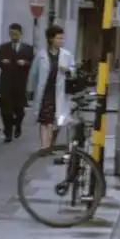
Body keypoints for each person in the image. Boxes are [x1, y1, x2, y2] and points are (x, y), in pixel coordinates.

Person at [27, 25, 75, 154]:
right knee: (45, 120)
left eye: (62, 38)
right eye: (58, 38)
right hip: (45, 92)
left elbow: (74, 71)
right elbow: (33, 73)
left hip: (59, 92)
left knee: (58, 121)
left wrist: (68, 70)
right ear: (50, 39)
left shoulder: (67, 55)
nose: (61, 41)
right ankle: (45, 147)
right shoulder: (41, 55)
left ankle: (51, 142)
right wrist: (30, 90)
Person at [0, 23, 34, 142]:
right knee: (6, 109)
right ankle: (8, 132)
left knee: (19, 109)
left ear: (20, 34)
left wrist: (25, 63)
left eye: (15, 34)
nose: (13, 36)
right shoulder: (3, 47)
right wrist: (2, 61)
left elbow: (33, 64)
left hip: (20, 83)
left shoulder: (28, 48)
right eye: (11, 34)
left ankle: (18, 125)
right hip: (5, 83)